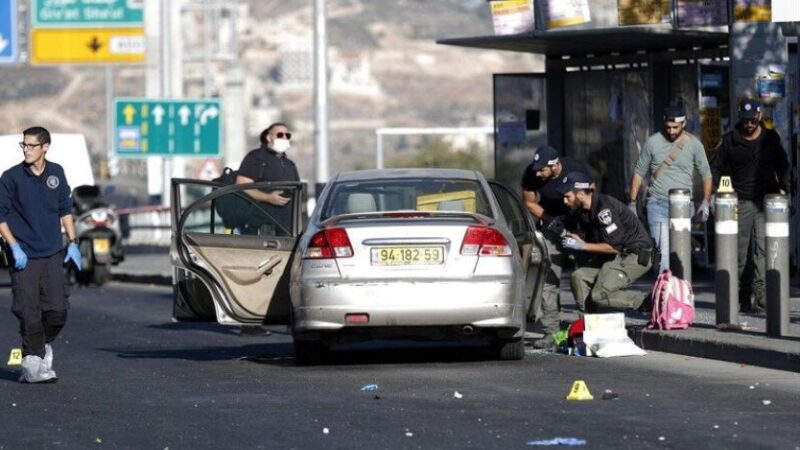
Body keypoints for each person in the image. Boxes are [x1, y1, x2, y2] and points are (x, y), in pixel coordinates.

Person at [0, 126, 82, 383]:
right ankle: (32, 361)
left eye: (31, 145)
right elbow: (0, 216)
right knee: (27, 310)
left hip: (51, 253)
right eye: (23, 145)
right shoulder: (11, 177)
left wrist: (73, 242)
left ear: (45, 147)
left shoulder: (56, 173)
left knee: (57, 311)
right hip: (23, 253)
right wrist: (13, 245)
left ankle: (40, 346)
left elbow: (65, 209)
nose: (26, 149)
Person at [711, 99, 789, 313]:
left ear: (759, 116)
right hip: (741, 202)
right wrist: (718, 195)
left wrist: (786, 190)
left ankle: (762, 293)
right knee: (740, 252)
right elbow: (716, 169)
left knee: (765, 250)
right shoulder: (729, 141)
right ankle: (743, 296)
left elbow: (783, 166)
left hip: (767, 202)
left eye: (752, 120)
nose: (749, 125)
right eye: (745, 121)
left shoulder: (771, 139)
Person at [628, 99, 712, 274]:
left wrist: (705, 201)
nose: (671, 131)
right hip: (656, 203)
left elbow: (706, 173)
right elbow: (639, 172)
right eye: (668, 127)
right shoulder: (653, 142)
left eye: (676, 127)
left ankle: (680, 293)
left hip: (682, 205)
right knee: (663, 253)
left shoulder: (694, 144)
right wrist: (632, 202)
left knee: (680, 253)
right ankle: (666, 296)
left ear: (684, 123)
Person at [521, 145, 591, 349]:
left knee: (583, 277)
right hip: (552, 225)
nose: (538, 173)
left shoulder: (576, 169)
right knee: (548, 278)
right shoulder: (531, 174)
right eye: (536, 168)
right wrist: (549, 220)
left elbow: (589, 196)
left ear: (555, 165)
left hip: (578, 226)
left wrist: (581, 226)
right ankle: (551, 331)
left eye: (542, 169)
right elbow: (529, 202)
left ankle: (586, 328)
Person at [235, 122, 300, 337]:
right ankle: (251, 322)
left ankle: (282, 315)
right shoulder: (256, 158)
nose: (284, 137)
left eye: (286, 134)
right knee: (260, 271)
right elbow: (242, 185)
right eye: (279, 134)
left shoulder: (289, 164)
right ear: (268, 137)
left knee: (285, 273)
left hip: (287, 227)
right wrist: (268, 198)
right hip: (262, 224)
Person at [557, 172, 654, 312]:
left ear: (581, 195)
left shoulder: (604, 209)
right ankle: (589, 325)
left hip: (635, 255)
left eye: (567, 197)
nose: (565, 201)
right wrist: (569, 235)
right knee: (578, 277)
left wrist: (582, 245)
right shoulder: (583, 211)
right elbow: (589, 237)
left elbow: (613, 247)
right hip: (615, 256)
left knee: (599, 294)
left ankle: (651, 302)